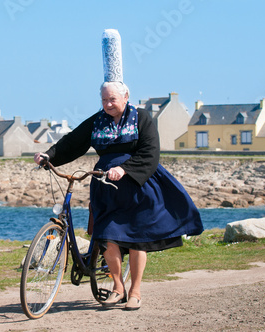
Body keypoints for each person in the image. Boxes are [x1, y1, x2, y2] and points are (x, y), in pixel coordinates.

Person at [34, 81, 204, 311]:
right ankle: (118, 287)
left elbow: (150, 152)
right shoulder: (98, 120)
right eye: (104, 100)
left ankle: (135, 291)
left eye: (112, 99)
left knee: (136, 239)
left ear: (126, 97)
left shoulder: (141, 118)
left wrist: (125, 169)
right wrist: (49, 155)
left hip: (138, 187)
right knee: (106, 235)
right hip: (105, 186)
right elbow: (73, 142)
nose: (108, 104)